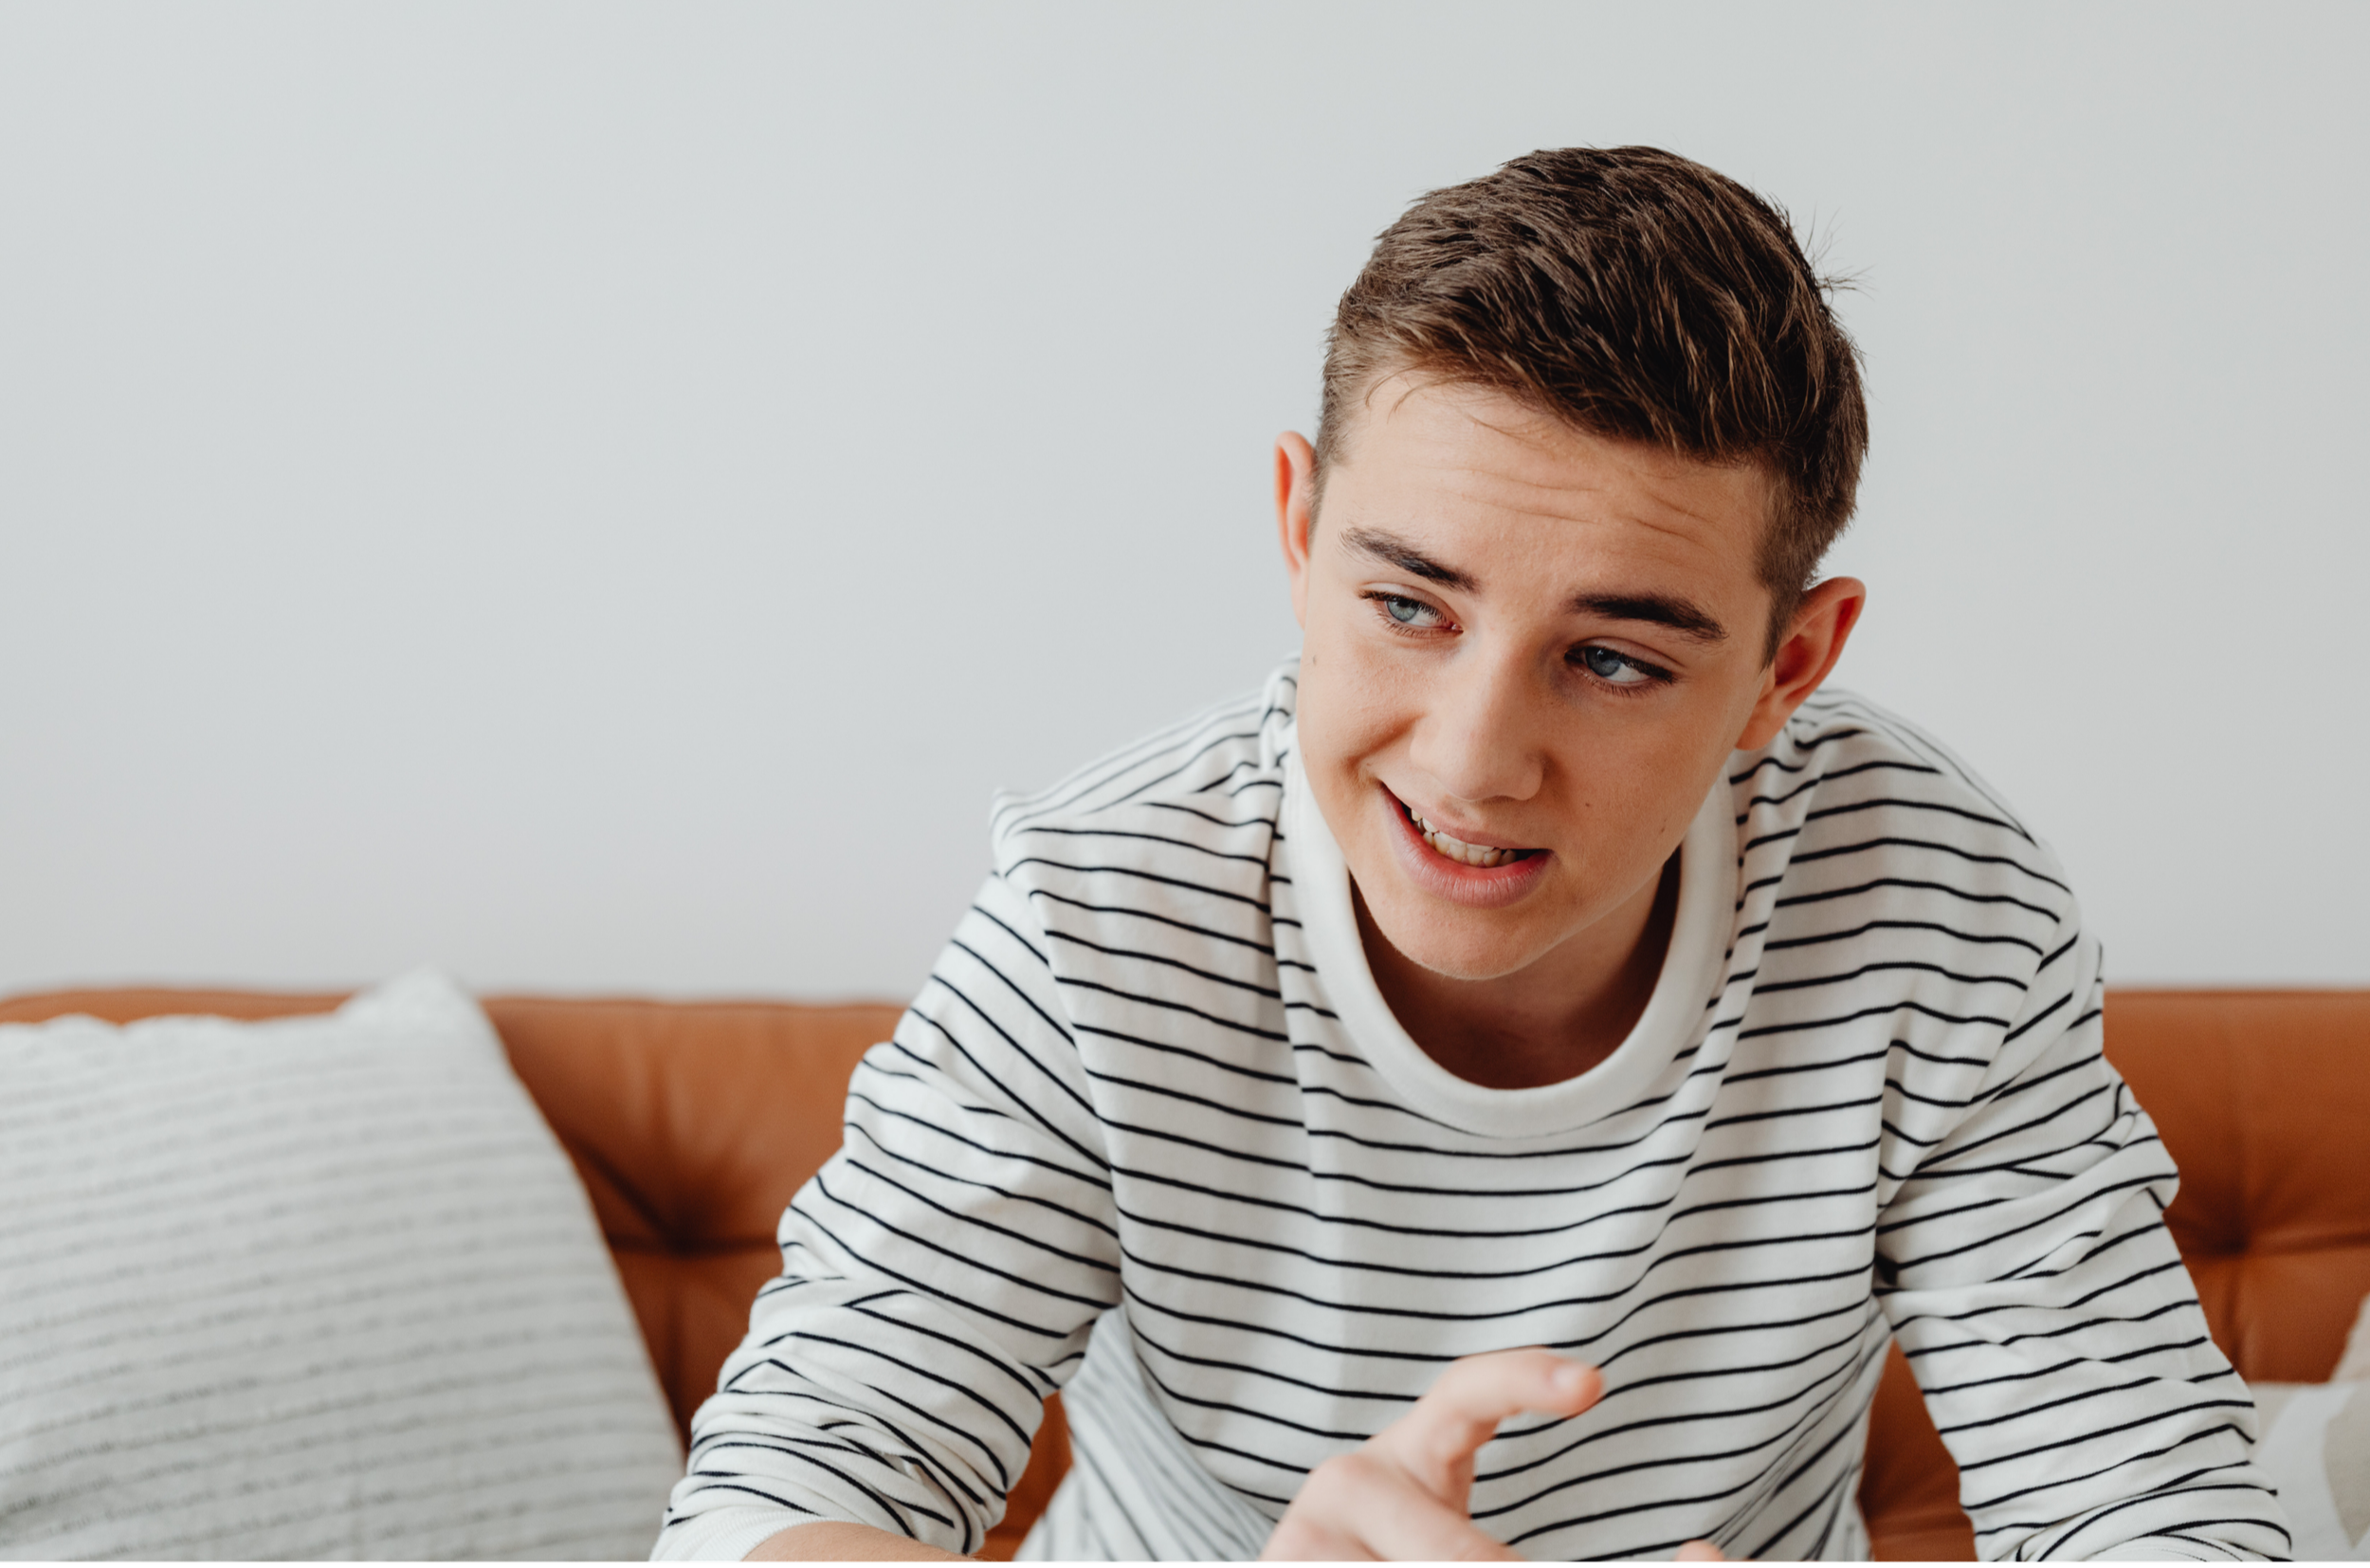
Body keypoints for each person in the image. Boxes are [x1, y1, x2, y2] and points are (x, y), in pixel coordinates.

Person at [654, 147, 2287, 1562]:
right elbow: (778, 1487)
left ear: (1785, 670)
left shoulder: (1933, 905)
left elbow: (2147, 1498)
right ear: (1300, 535)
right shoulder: (1101, 912)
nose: (1470, 762)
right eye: (1407, 606)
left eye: (1619, 658)